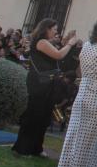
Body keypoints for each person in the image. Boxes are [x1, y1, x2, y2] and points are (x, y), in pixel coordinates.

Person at [58, 15, 97, 167]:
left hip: (82, 92)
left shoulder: (86, 45)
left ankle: (65, 166)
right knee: (89, 142)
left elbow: (82, 70)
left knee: (73, 136)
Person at [12, 18, 78, 156]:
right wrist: (70, 44)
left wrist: (65, 42)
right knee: (34, 115)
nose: (56, 32)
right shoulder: (41, 42)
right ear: (46, 29)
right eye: (54, 29)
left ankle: (37, 148)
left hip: (48, 83)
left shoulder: (46, 42)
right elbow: (59, 55)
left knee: (44, 117)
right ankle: (22, 148)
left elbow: (58, 52)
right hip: (39, 84)